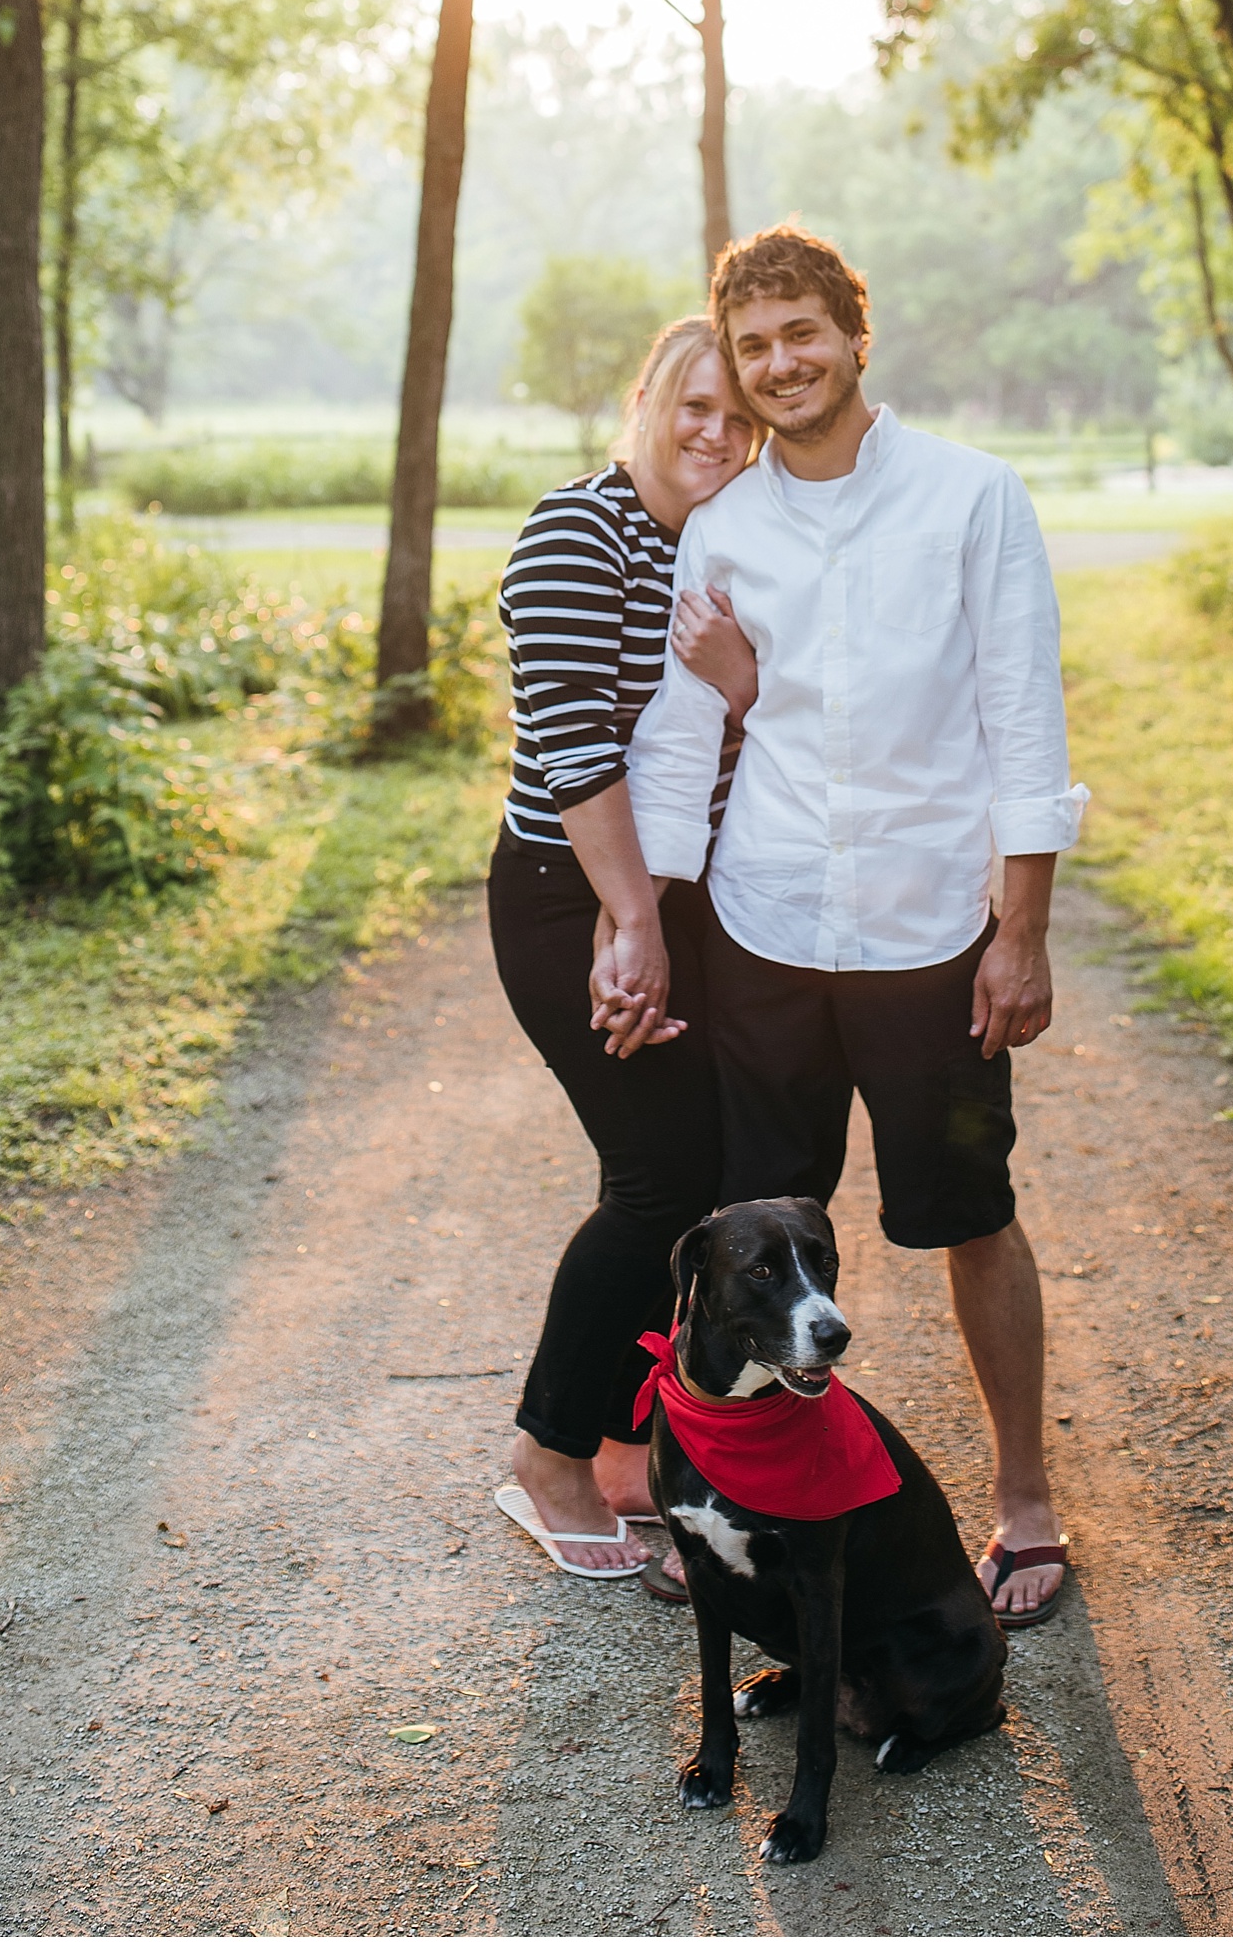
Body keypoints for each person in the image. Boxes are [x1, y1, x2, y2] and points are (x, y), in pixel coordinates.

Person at [617, 225, 1084, 1627]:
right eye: (752, 344)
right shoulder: (729, 527)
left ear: (854, 333)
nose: (779, 363)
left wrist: (1022, 928)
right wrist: (642, 923)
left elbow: (1024, 718)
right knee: (750, 1250)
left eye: (801, 332)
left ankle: (1022, 1497)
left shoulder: (970, 496)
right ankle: (733, 1500)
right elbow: (678, 737)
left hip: (929, 934)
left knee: (969, 1214)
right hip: (763, 934)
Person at [489, 316, 761, 1579]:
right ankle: (545, 1451)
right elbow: (574, 750)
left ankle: (612, 1444)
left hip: (665, 899)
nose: (716, 433)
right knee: (655, 1177)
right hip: (566, 893)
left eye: (739, 418)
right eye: (693, 406)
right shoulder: (574, 531)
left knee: (693, 1167)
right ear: (645, 399)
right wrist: (631, 924)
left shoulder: (712, 544)